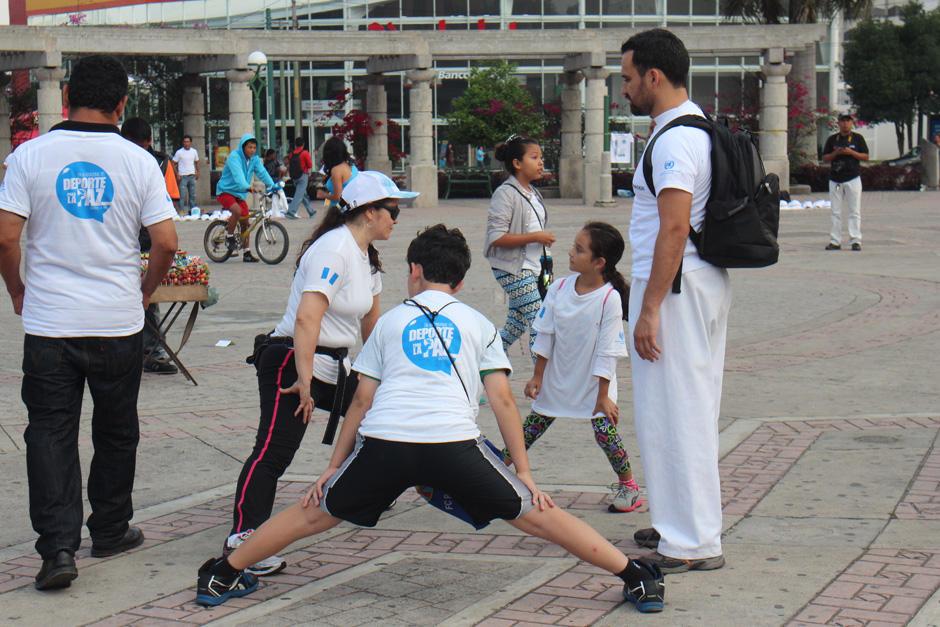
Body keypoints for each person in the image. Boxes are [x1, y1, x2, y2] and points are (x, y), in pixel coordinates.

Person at [195, 224, 666, 614]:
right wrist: (523, 473)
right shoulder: (479, 324)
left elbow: (360, 403)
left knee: (312, 514)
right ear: (459, 282)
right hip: (453, 446)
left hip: (384, 445)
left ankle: (223, 573)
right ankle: (634, 576)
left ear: (414, 271)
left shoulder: (390, 323)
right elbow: (503, 403)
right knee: (537, 516)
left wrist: (333, 467)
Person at [0, 55, 178, 590]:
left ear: (67, 96)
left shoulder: (29, 156)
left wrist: (18, 289)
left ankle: (58, 550)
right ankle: (110, 528)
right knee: (117, 430)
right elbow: (166, 242)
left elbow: (6, 237)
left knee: (49, 433)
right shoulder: (138, 160)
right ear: (122, 103)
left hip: (50, 323)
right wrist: (144, 292)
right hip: (116, 322)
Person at [222, 170, 407, 576]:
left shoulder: (367, 257)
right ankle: (243, 537)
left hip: (335, 364)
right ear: (369, 211)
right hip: (292, 359)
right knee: (274, 452)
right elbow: (308, 318)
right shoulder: (334, 249)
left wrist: (383, 378)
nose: (397, 218)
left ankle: (367, 489)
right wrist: (303, 381)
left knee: (381, 416)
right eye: (393, 211)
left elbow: (372, 327)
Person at [620, 29, 731, 573]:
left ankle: (691, 541)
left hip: (675, 287)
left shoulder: (674, 140)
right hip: (697, 280)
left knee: (676, 410)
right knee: (687, 406)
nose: (624, 88)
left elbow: (674, 226)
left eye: (627, 78)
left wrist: (649, 308)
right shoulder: (694, 126)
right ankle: (679, 522)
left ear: (654, 76)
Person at [505, 222, 641, 513]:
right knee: (528, 431)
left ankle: (628, 485)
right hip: (557, 378)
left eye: (579, 249)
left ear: (599, 262)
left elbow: (608, 350)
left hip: (595, 383)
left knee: (604, 433)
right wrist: (538, 376)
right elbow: (545, 332)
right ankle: (495, 474)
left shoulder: (610, 298)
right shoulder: (559, 288)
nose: (570, 252)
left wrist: (603, 396)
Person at [484, 135, 555, 359]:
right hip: (512, 269)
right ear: (517, 163)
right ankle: (541, 378)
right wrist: (536, 236)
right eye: (534, 157)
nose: (540, 162)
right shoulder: (505, 194)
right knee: (539, 320)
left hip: (535, 268)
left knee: (516, 325)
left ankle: (483, 358)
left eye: (541, 157)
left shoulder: (534, 193)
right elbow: (496, 236)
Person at [120, 117, 180, 376]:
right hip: (127, 242)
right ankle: (140, 351)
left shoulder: (160, 163)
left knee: (149, 301)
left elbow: (171, 201)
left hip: (147, 241)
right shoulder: (119, 160)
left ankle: (150, 350)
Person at [215, 133, 276, 263]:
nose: (252, 150)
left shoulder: (254, 160)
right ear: (243, 147)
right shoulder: (234, 157)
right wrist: (248, 187)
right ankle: (229, 237)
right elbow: (238, 177)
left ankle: (246, 252)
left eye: (254, 147)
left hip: (239, 194)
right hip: (225, 191)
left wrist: (273, 185)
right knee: (237, 211)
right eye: (249, 147)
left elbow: (262, 173)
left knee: (245, 222)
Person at [822, 113, 869, 252]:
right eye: (842, 121)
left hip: (853, 178)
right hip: (836, 179)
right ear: (838, 123)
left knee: (854, 211)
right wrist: (836, 153)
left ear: (851, 123)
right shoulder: (832, 139)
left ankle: (856, 240)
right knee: (835, 211)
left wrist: (851, 152)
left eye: (848, 121)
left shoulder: (857, 138)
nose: (845, 124)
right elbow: (825, 158)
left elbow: (866, 156)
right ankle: (835, 241)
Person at [316, 136, 359, 211]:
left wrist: (323, 195)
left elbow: (337, 197)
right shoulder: (351, 166)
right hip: (353, 207)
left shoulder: (336, 170)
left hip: (340, 210)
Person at [285, 137, 314, 219]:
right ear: (303, 144)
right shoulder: (305, 153)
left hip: (294, 177)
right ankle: (291, 212)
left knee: (302, 194)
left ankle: (311, 211)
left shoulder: (291, 154)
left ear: (295, 145)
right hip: (303, 176)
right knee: (299, 195)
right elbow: (310, 165)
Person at [173, 134, 200, 215]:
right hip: (183, 176)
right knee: (182, 196)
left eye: (188, 142)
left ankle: (192, 211)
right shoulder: (179, 152)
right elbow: (173, 163)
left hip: (192, 176)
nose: (186, 143)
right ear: (183, 143)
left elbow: (197, 162)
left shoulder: (194, 151)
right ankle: (181, 211)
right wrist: (177, 173)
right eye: (185, 142)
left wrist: (198, 171)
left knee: (192, 195)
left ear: (190, 142)